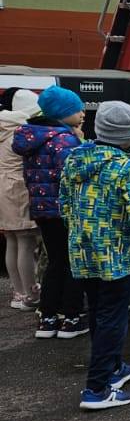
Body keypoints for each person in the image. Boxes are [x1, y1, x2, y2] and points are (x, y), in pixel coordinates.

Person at [58, 101, 130, 410]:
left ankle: (114, 367)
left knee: (99, 310)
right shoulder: (126, 167)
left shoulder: (74, 159)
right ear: (129, 135)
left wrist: (78, 232)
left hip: (82, 250)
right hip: (115, 252)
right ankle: (97, 388)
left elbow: (63, 203)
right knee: (113, 316)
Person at [13, 85, 86, 339]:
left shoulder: (33, 137)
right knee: (74, 262)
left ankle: (48, 317)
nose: (83, 113)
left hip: (42, 208)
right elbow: (75, 173)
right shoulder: (64, 139)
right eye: (77, 109)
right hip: (65, 209)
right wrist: (82, 142)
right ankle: (72, 317)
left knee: (55, 261)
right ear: (62, 113)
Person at [0, 88, 41, 311]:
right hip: (18, 187)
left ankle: (18, 292)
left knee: (12, 240)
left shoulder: (3, 126)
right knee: (26, 241)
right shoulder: (22, 130)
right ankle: (31, 294)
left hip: (2, 187)